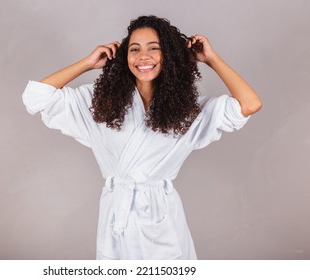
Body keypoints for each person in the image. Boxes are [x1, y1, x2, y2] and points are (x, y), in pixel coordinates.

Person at [22, 15, 262, 260]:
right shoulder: (100, 105)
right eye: (134, 49)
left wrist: (211, 59)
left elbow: (250, 104)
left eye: (154, 49)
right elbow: (35, 97)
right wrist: (87, 63)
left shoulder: (189, 112)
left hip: (161, 218)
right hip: (116, 217)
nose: (143, 57)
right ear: (124, 57)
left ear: (168, 56)